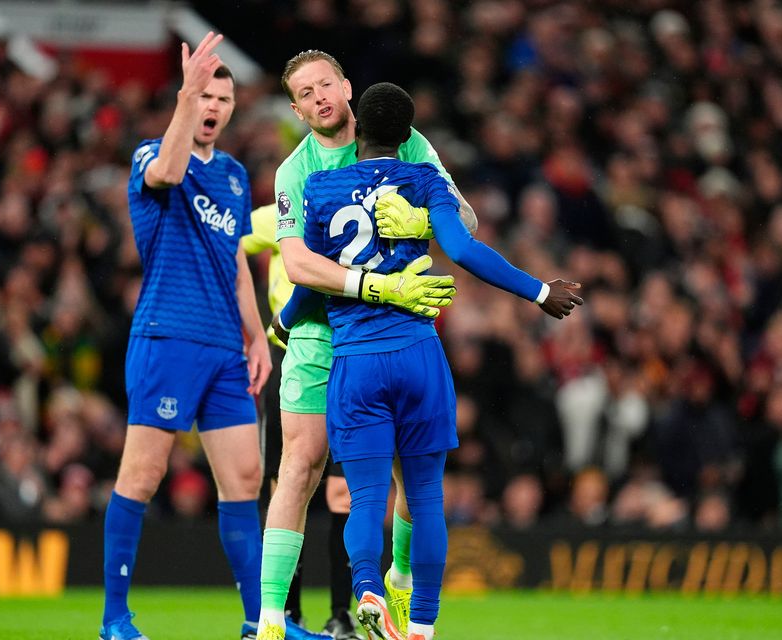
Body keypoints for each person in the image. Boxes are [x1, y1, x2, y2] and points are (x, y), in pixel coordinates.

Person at [286, 81, 583, 640]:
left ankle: (367, 591)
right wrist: (541, 292)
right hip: (418, 355)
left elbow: (310, 282)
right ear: (408, 135)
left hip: (356, 362)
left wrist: (284, 319)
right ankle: (421, 625)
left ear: (358, 128)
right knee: (423, 496)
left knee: (367, 496)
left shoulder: (320, 189)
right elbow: (466, 249)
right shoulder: (424, 179)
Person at [256, 50, 473, 640]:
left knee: (409, 480)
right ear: (298, 110)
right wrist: (373, 284)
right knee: (297, 471)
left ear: (347, 87)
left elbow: (468, 220)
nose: (320, 96)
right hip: (321, 337)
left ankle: (396, 587)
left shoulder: (402, 139)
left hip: (392, 338)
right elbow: (296, 262)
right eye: (306, 92)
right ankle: (270, 622)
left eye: (326, 83)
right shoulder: (293, 172)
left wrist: (421, 222)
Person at [100, 33, 280, 640]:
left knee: (246, 479)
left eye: (222, 99)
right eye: (204, 95)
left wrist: (256, 337)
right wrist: (183, 98)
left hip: (226, 349)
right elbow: (169, 170)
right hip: (168, 336)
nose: (213, 106)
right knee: (143, 475)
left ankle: (261, 622)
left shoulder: (232, 176)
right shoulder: (153, 153)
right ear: (187, 98)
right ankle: (115, 619)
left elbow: (233, 262)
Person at [243, 205, 362, 640]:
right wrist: (252, 324)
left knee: (341, 493)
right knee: (285, 484)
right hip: (289, 349)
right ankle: (285, 613)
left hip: (347, 347)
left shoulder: (350, 205)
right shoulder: (279, 213)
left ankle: (340, 613)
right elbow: (230, 243)